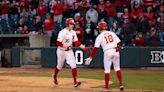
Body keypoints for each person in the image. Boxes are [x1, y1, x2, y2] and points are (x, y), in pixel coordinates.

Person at [85, 21, 124, 91]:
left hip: (107, 51)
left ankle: (106, 88)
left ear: (100, 28)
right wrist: (118, 47)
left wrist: (90, 57)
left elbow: (95, 49)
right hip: (115, 51)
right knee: (117, 68)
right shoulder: (112, 33)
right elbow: (118, 43)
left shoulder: (99, 36)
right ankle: (121, 85)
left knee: (107, 70)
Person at [52, 18, 88, 87]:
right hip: (61, 51)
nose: (72, 26)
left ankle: (75, 82)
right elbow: (58, 42)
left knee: (73, 65)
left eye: (73, 24)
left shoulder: (73, 32)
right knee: (59, 66)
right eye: (71, 24)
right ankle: (54, 75)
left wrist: (83, 47)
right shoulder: (62, 32)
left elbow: (76, 42)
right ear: (68, 24)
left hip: (69, 51)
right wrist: (65, 46)